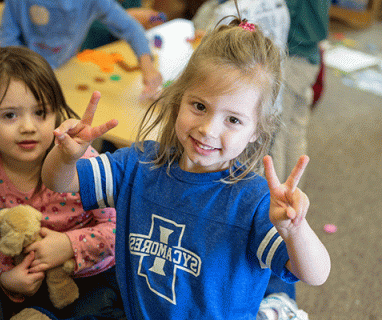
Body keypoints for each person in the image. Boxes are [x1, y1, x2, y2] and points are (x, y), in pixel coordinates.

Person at [41, 11, 331, 319]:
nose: (208, 129)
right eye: (199, 106)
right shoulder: (137, 165)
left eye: (233, 120)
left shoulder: (255, 202)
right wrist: (67, 156)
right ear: (178, 100)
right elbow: (57, 182)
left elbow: (315, 274)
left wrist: (296, 231)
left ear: (256, 132)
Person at [0, 46, 124, 319]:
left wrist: (69, 245)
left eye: (41, 112)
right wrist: (7, 279)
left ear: (56, 112)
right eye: (10, 115)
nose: (28, 127)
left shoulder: (82, 164)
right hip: (42, 286)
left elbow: (121, 229)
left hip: (99, 273)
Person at [0, 0, 163, 96]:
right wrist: (23, 71)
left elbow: (130, 27)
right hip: (25, 73)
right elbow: (7, 36)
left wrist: (147, 65)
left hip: (65, 72)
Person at [270, 0, 330, 188]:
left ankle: (277, 199)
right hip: (309, 55)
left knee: (275, 133)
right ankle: (293, 194)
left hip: (291, 55)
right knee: (294, 128)